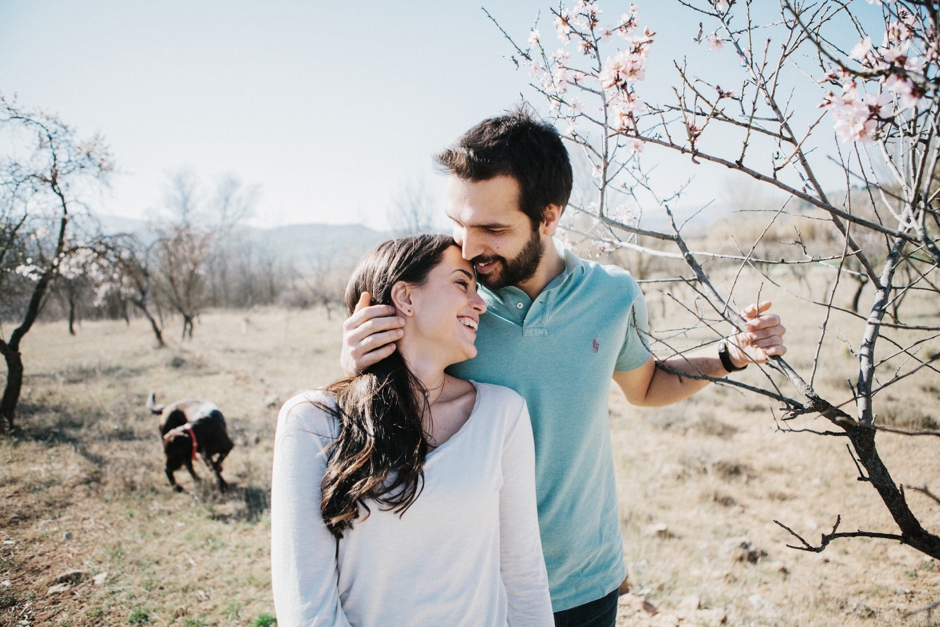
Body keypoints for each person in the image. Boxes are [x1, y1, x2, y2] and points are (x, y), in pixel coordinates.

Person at [341, 109, 787, 627]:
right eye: (458, 223)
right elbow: (388, 404)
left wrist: (730, 355)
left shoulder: (613, 294)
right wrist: (358, 367)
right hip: (468, 582)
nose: (467, 247)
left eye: (492, 228)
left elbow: (644, 386)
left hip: (584, 578)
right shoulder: (451, 306)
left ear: (548, 218)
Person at [271, 234, 554, 627]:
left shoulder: (502, 414)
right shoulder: (314, 421)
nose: (480, 305)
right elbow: (306, 606)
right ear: (406, 298)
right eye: (461, 284)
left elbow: (522, 575)